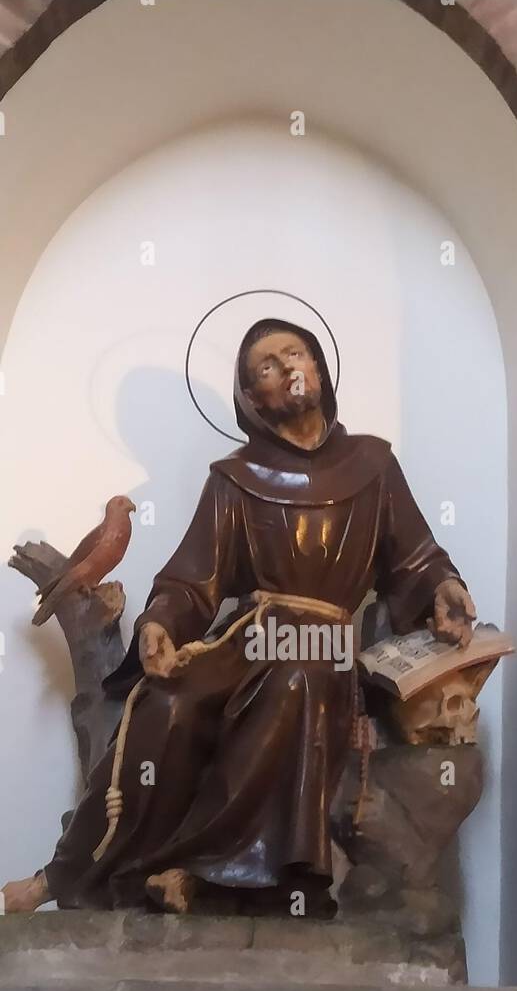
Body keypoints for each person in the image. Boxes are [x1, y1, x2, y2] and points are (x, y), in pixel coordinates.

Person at [3, 318, 475, 915]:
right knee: (165, 706)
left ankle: (206, 871)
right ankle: (70, 874)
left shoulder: (372, 464)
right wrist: (160, 624)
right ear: (254, 399)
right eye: (268, 367)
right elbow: (191, 580)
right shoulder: (234, 479)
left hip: (323, 647)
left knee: (294, 678)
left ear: (321, 369)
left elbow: (414, 557)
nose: (288, 368)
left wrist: (443, 585)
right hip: (248, 641)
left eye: (296, 353)